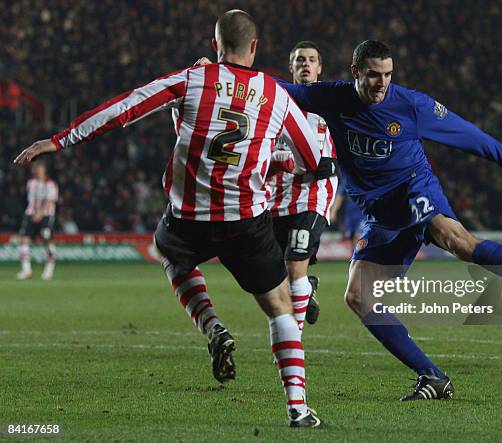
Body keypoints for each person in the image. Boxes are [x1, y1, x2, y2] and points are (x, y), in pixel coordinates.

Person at [14, 9, 323, 428]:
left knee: (168, 251)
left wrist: (59, 140)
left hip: (189, 218)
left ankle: (212, 325)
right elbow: (309, 159)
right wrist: (276, 159)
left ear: (215, 46)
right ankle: (298, 409)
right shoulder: (276, 95)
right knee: (280, 308)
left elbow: (125, 107)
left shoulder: (191, 80)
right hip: (246, 222)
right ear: (254, 47)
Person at [279, 40, 502, 401]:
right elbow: (279, 89)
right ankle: (433, 378)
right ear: (356, 72)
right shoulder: (331, 98)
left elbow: (460, 129)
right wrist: (227, 72)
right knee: (358, 297)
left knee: (457, 240)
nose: (381, 83)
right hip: (382, 215)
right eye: (374, 75)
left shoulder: (410, 104)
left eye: (387, 75)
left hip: (414, 189)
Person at [266, 41, 338, 330]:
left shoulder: (332, 103)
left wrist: (334, 163)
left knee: (294, 264)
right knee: (279, 275)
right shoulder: (276, 101)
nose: (305, 65)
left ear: (320, 67)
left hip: (313, 195)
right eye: (299, 60)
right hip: (276, 197)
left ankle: (292, 343)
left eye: (311, 60)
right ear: (291, 67)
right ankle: (307, 286)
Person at [16, 162, 58, 280]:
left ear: (44, 170)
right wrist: (32, 214)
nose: (38, 170)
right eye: (36, 168)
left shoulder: (50, 184)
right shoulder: (31, 183)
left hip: (46, 216)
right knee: (24, 240)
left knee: (47, 239)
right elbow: (30, 200)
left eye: (40, 168)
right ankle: (26, 270)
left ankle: (49, 270)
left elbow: (50, 201)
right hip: (30, 214)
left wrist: (40, 213)